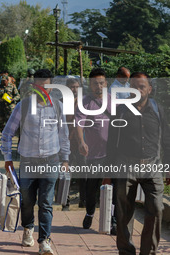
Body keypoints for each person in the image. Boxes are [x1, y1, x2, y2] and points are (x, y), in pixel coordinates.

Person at [1, 69, 70, 255]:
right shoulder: (23, 106)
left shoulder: (58, 106)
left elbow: (63, 134)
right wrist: (8, 159)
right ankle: (28, 228)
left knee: (46, 203)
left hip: (51, 161)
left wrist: (65, 158)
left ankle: (44, 240)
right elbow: (7, 133)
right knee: (28, 201)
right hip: (28, 162)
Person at [106, 72, 170, 255]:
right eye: (134, 86)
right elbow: (111, 142)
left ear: (149, 89)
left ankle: (148, 252)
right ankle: (126, 251)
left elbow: (166, 139)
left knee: (157, 209)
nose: (138, 90)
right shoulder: (121, 110)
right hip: (125, 165)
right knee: (124, 214)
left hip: (153, 166)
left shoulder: (158, 110)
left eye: (141, 86)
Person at [75, 68, 114, 232]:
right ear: (90, 85)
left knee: (114, 188)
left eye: (101, 82)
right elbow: (79, 124)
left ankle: (112, 220)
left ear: (106, 84)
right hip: (93, 154)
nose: (99, 86)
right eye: (95, 83)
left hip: (113, 153)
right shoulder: (85, 103)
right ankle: (90, 212)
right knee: (91, 188)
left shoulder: (114, 101)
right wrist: (81, 142)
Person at [64, 78, 86, 209]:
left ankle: (83, 199)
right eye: (72, 87)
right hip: (66, 144)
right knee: (67, 173)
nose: (74, 89)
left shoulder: (84, 103)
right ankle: (64, 199)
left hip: (81, 143)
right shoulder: (61, 104)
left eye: (77, 87)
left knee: (83, 173)